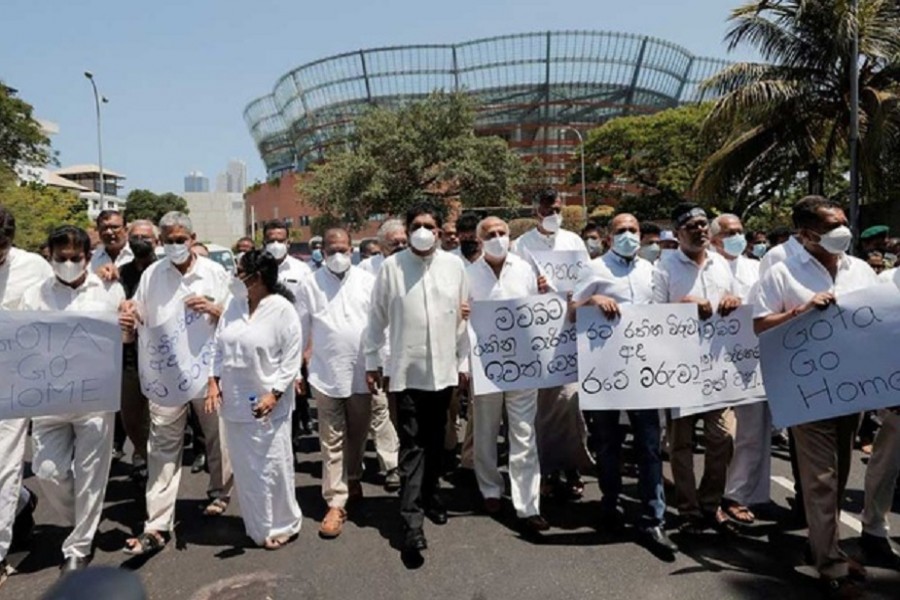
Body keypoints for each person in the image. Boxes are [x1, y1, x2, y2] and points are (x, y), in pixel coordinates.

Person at [753, 196, 877, 596]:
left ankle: (823, 544)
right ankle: (830, 563)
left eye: (844, 222)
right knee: (821, 478)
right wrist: (801, 311)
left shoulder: (860, 269)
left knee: (838, 475)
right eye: (832, 225)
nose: (843, 230)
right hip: (806, 390)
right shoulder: (781, 272)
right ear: (806, 234)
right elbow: (759, 325)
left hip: (852, 388)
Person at [122, 212, 233, 556]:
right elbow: (138, 313)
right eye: (168, 240)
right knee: (163, 447)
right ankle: (157, 523)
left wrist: (215, 309)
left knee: (217, 437)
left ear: (192, 237)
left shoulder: (215, 274)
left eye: (180, 239)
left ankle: (220, 492)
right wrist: (130, 311)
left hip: (207, 375)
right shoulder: (153, 275)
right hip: (166, 378)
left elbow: (238, 319)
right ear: (160, 242)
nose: (174, 245)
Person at [363, 202, 468, 554]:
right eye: (417, 225)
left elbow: (463, 315)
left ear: (439, 231)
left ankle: (431, 496)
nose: (423, 231)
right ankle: (411, 522)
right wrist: (371, 360)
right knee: (412, 446)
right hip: (406, 374)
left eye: (429, 225)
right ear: (407, 231)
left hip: (443, 373)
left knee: (436, 442)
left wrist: (464, 361)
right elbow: (376, 317)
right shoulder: (392, 268)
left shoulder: (455, 267)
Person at [22, 225, 127, 574]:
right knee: (47, 471)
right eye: (61, 258)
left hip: (93, 399)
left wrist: (128, 324)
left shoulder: (108, 290)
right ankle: (84, 520)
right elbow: (22, 342)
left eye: (75, 258)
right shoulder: (35, 294)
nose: (68, 263)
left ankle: (79, 545)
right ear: (50, 258)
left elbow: (124, 337)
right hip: (50, 400)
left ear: (87, 258)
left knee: (91, 473)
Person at [571, 212, 676, 556]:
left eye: (633, 229)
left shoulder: (652, 270)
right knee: (607, 442)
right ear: (608, 237)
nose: (629, 235)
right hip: (604, 372)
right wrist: (591, 301)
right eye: (622, 231)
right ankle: (610, 502)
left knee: (649, 446)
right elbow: (572, 312)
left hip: (645, 374)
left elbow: (665, 315)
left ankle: (653, 519)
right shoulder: (594, 269)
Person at [205, 250, 303, 549]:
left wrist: (274, 393)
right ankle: (258, 526)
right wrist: (213, 381)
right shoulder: (234, 306)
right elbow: (218, 347)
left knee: (273, 465)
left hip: (268, 405)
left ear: (256, 277)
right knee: (246, 468)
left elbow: (291, 359)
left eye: (240, 271)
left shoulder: (282, 310)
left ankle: (284, 523)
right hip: (234, 402)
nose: (235, 277)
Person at [652, 203, 739, 533]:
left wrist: (733, 299)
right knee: (682, 444)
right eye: (692, 226)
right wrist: (683, 305)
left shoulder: (720, 263)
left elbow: (734, 301)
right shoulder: (664, 268)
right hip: (680, 368)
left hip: (718, 368)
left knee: (723, 437)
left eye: (704, 224)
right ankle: (688, 509)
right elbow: (651, 314)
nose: (701, 230)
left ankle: (711, 503)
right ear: (677, 234)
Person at [296, 228, 386, 538]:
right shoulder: (310, 284)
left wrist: (378, 363)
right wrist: (297, 371)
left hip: (362, 373)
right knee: (331, 438)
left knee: (358, 435)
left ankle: (353, 476)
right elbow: (300, 329)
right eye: (332, 249)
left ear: (353, 249)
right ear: (322, 249)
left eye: (343, 249)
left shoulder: (367, 281)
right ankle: (335, 501)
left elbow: (378, 326)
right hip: (324, 374)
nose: (338, 255)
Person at [466, 216, 548, 533]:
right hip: (485, 366)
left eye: (502, 233)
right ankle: (489, 489)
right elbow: (463, 323)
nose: (497, 237)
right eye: (490, 234)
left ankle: (528, 504)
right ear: (479, 239)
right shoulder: (469, 274)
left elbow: (538, 314)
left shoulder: (526, 270)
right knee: (486, 431)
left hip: (524, 366)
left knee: (524, 434)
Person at [512, 188, 593, 499]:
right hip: (537, 338)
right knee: (540, 408)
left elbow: (588, 279)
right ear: (537, 211)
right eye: (548, 209)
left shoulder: (574, 242)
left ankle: (572, 466)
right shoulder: (521, 246)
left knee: (571, 404)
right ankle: (544, 471)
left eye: (558, 208)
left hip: (570, 334)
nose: (554, 214)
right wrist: (535, 287)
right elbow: (516, 288)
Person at [0, 205, 53, 588]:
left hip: (15, 383)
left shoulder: (34, 267)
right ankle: (20, 503)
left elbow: (61, 309)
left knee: (4, 463)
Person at [709, 214, 771, 526]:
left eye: (740, 231)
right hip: (708, 362)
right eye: (730, 232)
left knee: (752, 431)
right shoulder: (704, 265)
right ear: (713, 239)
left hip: (750, 358)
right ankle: (701, 500)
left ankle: (739, 495)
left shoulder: (755, 267)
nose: (738, 236)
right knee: (714, 437)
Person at [115, 220, 157, 484]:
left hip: (160, 357)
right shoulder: (117, 273)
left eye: (146, 236)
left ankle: (156, 467)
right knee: (131, 416)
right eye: (135, 236)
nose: (140, 240)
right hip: (128, 356)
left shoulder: (164, 271)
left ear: (156, 241)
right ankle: (143, 453)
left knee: (161, 418)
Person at [90, 210, 133, 278]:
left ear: (125, 229)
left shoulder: (137, 256)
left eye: (114, 227)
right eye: (104, 228)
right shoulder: (90, 259)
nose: (109, 232)